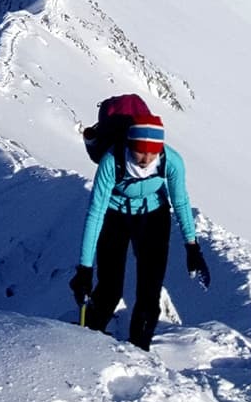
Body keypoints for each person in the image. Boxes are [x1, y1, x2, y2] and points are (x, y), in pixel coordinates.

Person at [67, 112, 209, 348]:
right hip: (114, 215)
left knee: (149, 291)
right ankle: (89, 344)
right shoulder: (111, 161)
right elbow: (95, 213)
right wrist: (84, 269)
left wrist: (192, 246)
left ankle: (139, 349)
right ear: (129, 144)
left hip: (154, 216)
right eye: (140, 151)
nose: (145, 158)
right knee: (109, 289)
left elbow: (181, 201)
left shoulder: (171, 161)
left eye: (152, 151)